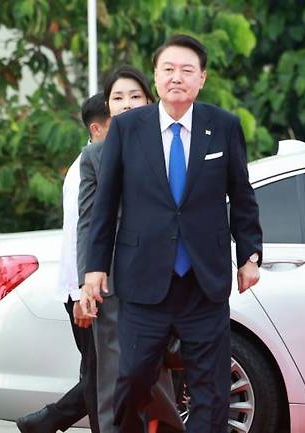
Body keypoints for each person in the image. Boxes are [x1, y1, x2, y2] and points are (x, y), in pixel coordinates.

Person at [82, 34, 263, 433]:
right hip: (143, 279)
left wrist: (250, 255)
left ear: (202, 79)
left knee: (211, 388)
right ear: (156, 77)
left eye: (186, 70)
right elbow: (106, 202)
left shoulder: (224, 126)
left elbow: (243, 195)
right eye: (168, 70)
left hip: (204, 281)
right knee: (132, 378)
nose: (176, 77)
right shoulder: (128, 128)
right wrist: (94, 267)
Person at [77, 65, 184, 433]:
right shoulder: (94, 156)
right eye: (117, 98)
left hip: (166, 276)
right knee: (112, 372)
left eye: (134, 96)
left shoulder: (174, 144)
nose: (126, 104)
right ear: (108, 106)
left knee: (156, 371)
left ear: (150, 100)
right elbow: (88, 223)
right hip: (114, 282)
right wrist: (87, 281)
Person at [16, 93, 110, 433]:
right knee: (101, 379)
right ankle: (46, 421)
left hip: (87, 288)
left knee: (99, 376)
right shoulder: (86, 169)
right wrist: (83, 291)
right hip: (86, 289)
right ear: (98, 129)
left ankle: (45, 422)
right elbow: (81, 235)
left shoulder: (99, 164)